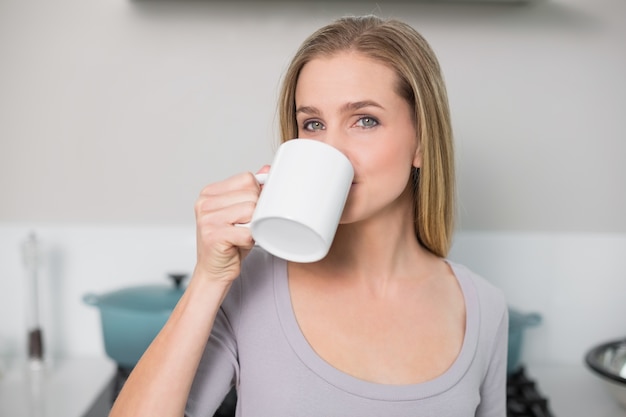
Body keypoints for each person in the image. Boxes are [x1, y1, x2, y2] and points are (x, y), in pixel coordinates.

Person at [110, 14, 508, 417]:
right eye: (313, 124)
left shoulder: (484, 308)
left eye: (364, 120)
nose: (331, 149)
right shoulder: (248, 286)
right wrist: (206, 280)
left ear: (421, 142)